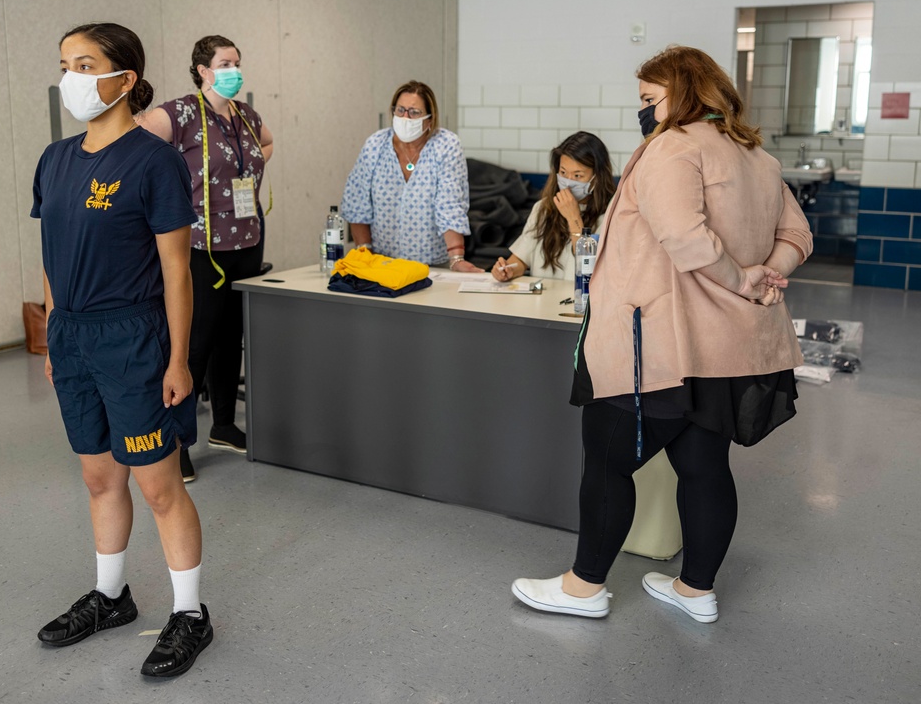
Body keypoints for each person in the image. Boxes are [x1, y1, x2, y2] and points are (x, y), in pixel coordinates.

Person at [511, 45, 813, 624]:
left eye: (650, 99)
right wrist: (766, 272)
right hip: (727, 349)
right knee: (704, 467)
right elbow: (796, 233)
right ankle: (696, 590)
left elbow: (683, 235)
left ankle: (583, 589)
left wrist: (743, 277)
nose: (644, 112)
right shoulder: (757, 157)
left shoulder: (673, 147)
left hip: (659, 345)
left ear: (686, 91)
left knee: (606, 461)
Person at [32, 22, 212, 677]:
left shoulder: (153, 160)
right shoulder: (54, 160)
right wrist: (54, 331)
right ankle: (112, 596)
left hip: (134, 338)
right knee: (98, 475)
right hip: (74, 337)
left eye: (85, 64)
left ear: (126, 79)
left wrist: (178, 357)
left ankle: (190, 611)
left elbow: (175, 269)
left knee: (158, 483)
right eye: (64, 64)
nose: (71, 77)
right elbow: (51, 255)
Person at [137, 35, 274, 481]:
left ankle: (223, 426)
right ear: (203, 70)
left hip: (247, 241)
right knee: (195, 343)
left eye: (237, 61)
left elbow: (267, 145)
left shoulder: (246, 116)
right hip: (202, 248)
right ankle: (176, 442)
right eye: (224, 63)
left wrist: (246, 172)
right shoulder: (179, 113)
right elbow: (135, 142)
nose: (233, 69)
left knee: (231, 335)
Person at [341, 80, 481, 272]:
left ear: (430, 119)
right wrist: (365, 253)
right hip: (383, 262)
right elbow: (357, 203)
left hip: (432, 264)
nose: (405, 117)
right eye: (400, 110)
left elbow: (449, 205)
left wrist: (456, 258)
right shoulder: (376, 144)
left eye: (414, 112)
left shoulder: (446, 145)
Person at [491, 131, 615, 281]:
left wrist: (573, 218)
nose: (568, 182)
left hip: (581, 300)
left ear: (597, 177)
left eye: (577, 176)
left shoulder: (612, 214)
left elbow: (588, 268)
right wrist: (507, 269)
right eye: (563, 172)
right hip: (544, 299)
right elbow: (522, 258)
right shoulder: (542, 208)